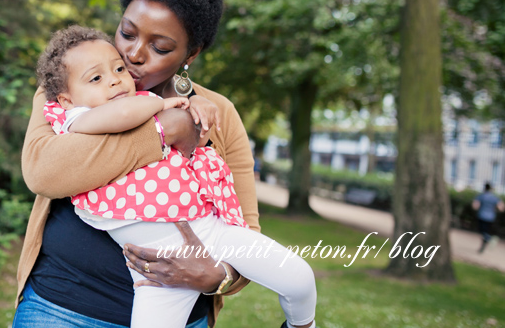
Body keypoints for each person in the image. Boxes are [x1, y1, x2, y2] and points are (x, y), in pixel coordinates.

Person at [15, 0, 267, 328]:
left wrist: (220, 276)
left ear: (190, 55)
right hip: (61, 309)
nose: (133, 54)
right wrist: (163, 130)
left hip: (179, 317)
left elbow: (246, 229)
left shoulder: (218, 113)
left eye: (160, 46)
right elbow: (44, 172)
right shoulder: (69, 86)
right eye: (127, 33)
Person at [33, 25, 317, 328]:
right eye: (97, 78)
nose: (116, 79)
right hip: (152, 276)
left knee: (300, 279)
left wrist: (194, 103)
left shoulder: (144, 98)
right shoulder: (76, 115)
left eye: (118, 69)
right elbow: (119, 117)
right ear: (65, 99)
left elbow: (183, 125)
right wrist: (165, 108)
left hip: (213, 235)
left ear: (189, 54)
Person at [472, 182, 504, 253]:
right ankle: (485, 242)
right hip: (491, 217)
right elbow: (501, 207)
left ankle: (489, 238)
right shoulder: (495, 197)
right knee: (485, 231)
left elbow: (475, 206)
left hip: (482, 216)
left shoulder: (481, 196)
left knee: (482, 231)